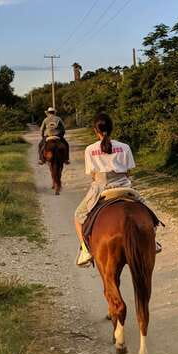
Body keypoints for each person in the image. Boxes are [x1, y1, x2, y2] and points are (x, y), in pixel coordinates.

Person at [74, 113, 137, 266]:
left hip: (102, 188)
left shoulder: (90, 149)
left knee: (78, 215)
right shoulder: (125, 147)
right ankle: (152, 242)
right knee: (149, 212)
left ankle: (85, 250)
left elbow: (93, 175)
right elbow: (129, 172)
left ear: (96, 131)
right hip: (123, 186)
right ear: (111, 128)